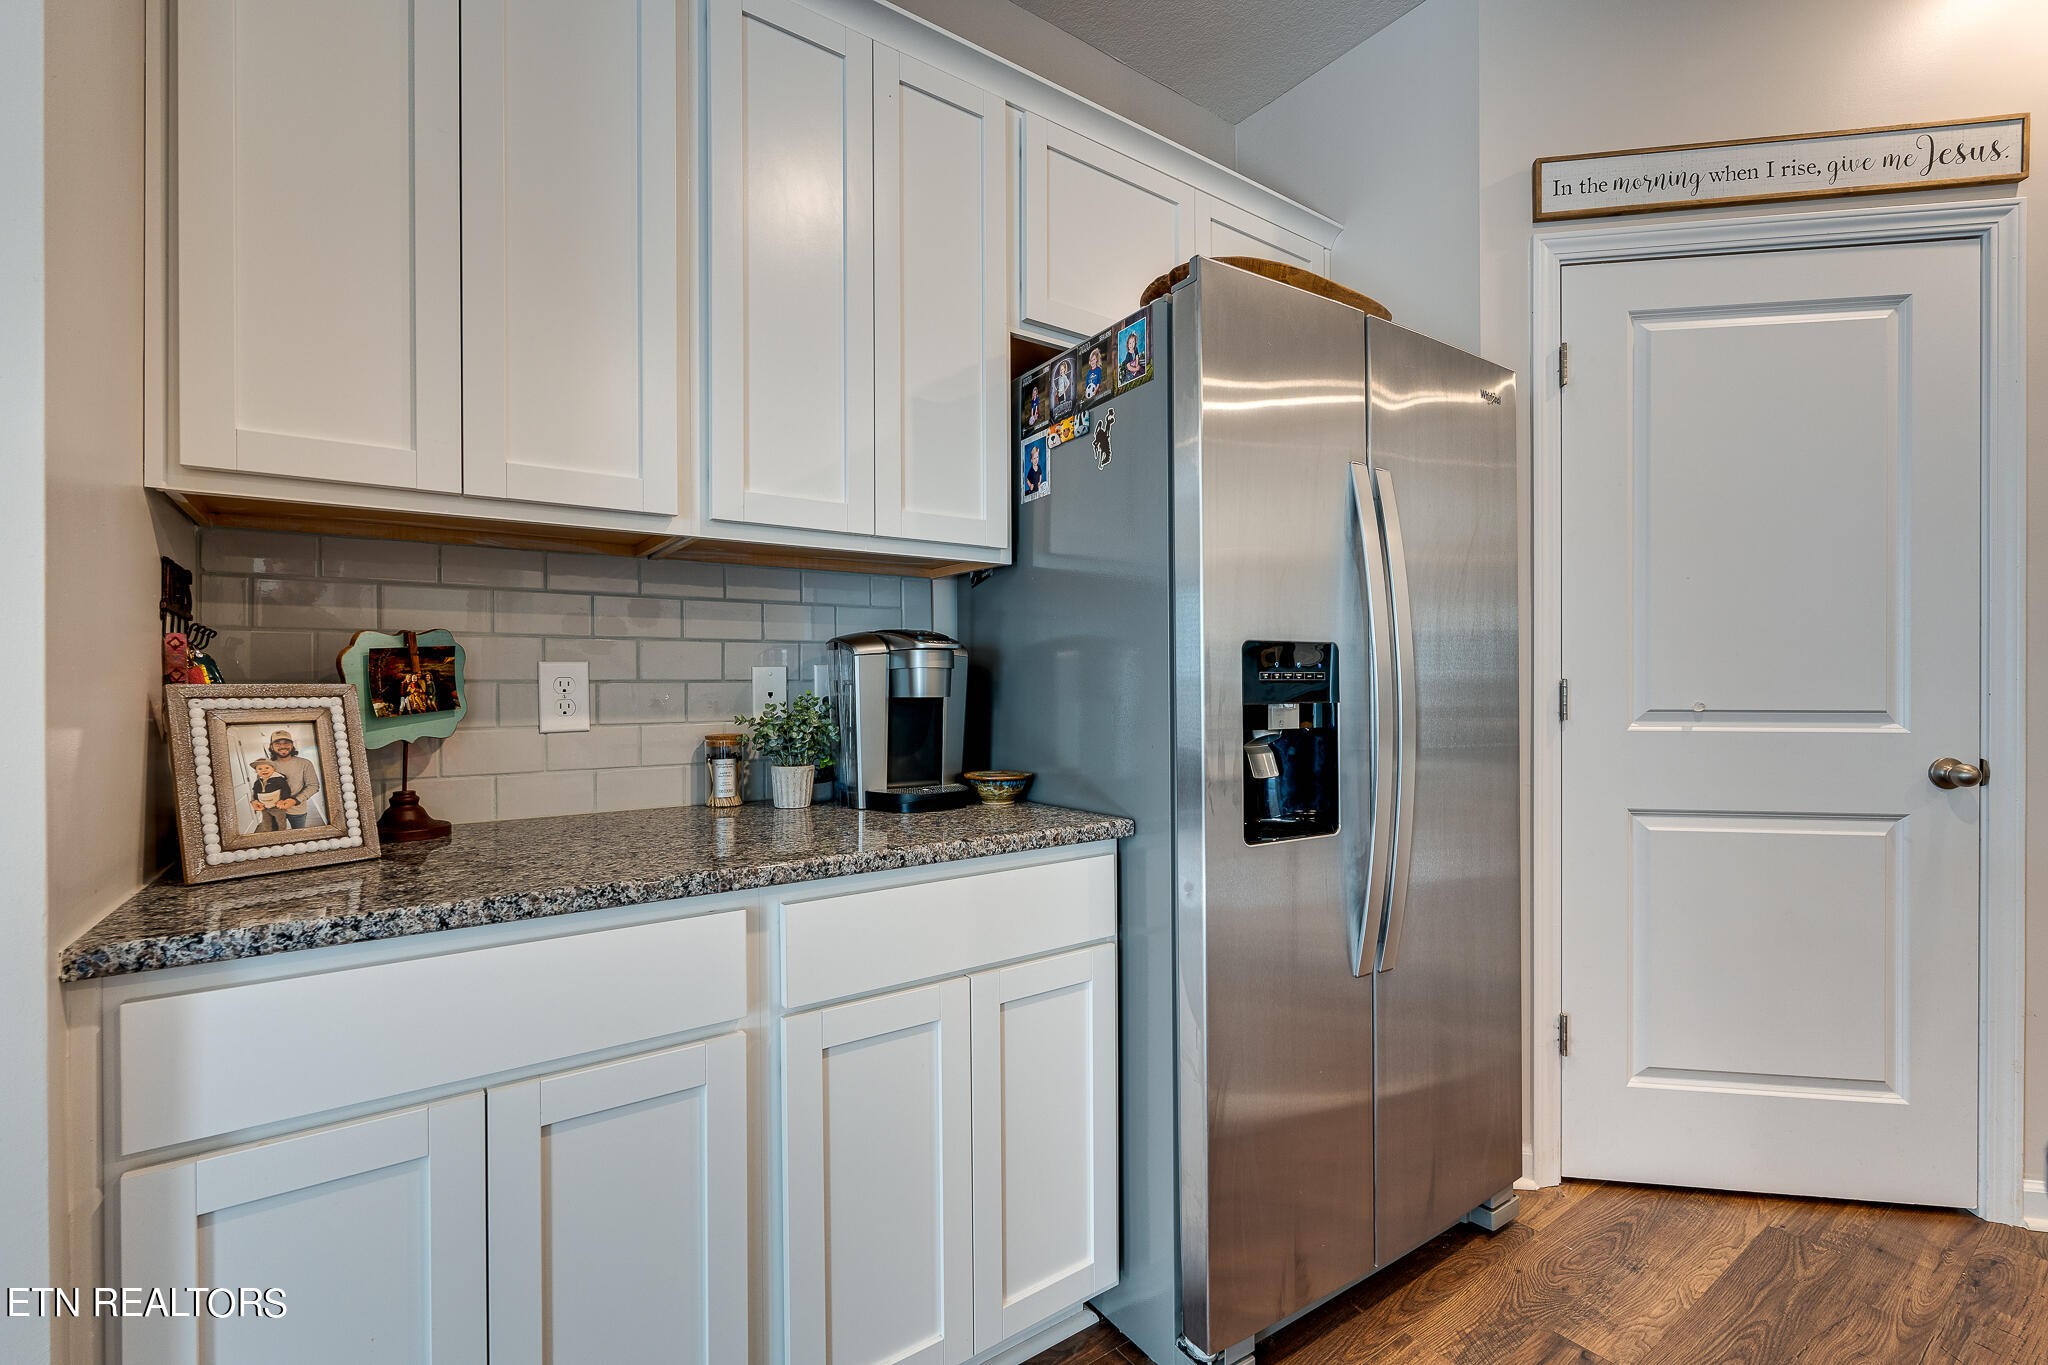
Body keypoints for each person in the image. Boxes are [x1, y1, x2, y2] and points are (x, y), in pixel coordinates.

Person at [264, 730, 322, 829]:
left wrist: (295, 800)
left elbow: (314, 786)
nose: (282, 746)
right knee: (277, 837)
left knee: (299, 836)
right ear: (271, 747)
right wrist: (254, 800)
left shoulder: (305, 763)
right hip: (273, 810)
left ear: (292, 745)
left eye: (286, 742)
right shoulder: (266, 764)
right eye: (277, 743)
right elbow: (260, 785)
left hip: (298, 810)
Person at [247, 759, 293, 833]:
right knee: (266, 821)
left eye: (267, 768)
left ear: (273, 769)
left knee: (281, 821)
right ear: (256, 771)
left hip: (277, 806)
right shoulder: (258, 782)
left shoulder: (279, 779)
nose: (264, 770)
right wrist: (255, 800)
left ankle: (283, 833)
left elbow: (286, 790)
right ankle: (267, 832)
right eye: (260, 769)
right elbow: (255, 792)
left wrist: (283, 800)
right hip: (264, 807)